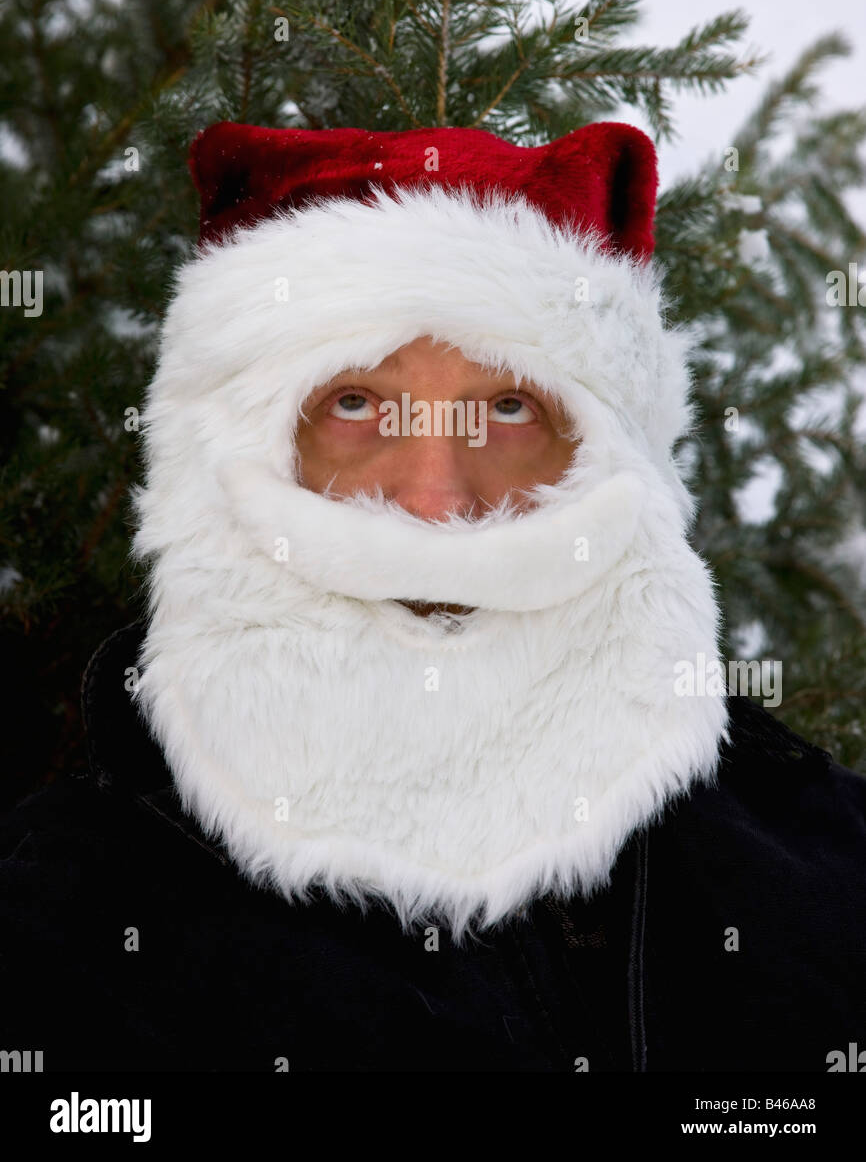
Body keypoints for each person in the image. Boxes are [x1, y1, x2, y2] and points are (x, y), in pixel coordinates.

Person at [2, 119, 864, 1074]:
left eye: (508, 407)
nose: (434, 500)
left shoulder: (834, 873)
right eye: (356, 404)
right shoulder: (52, 924)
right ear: (225, 464)